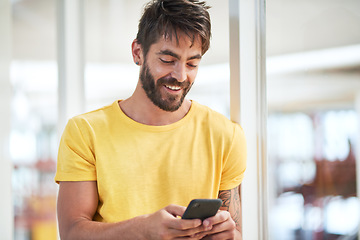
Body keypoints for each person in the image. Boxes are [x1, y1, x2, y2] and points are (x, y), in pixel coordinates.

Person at [55, 0, 247, 239]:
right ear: (138, 52)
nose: (180, 75)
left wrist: (227, 234)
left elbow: (235, 231)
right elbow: (72, 233)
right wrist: (143, 229)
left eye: (192, 63)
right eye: (167, 60)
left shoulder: (226, 135)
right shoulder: (85, 132)